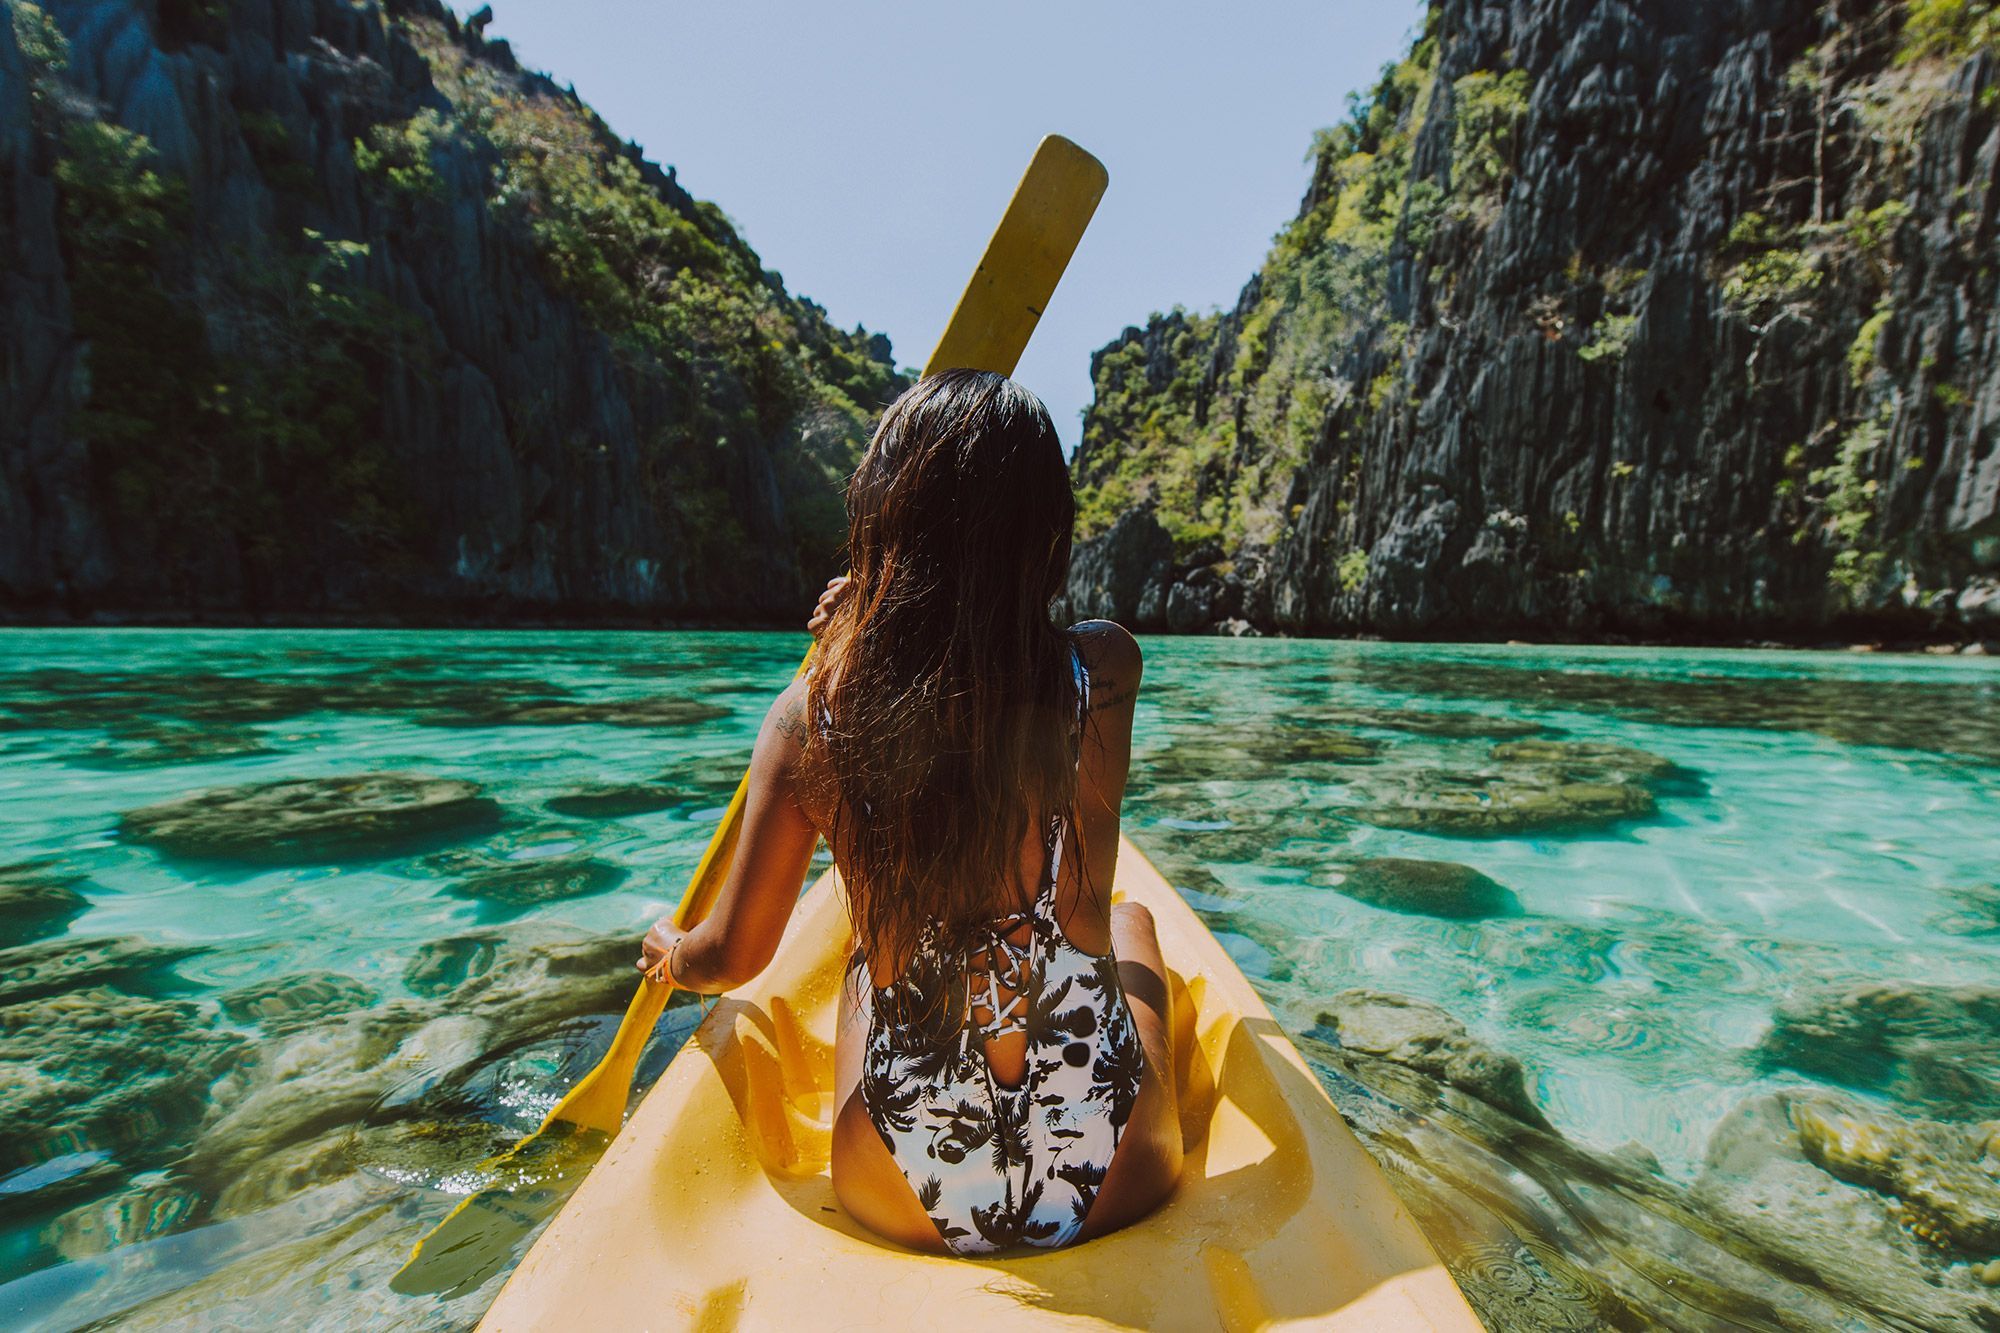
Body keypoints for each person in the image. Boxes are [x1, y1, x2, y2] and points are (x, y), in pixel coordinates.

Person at [636, 369, 1181, 1255]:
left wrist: (670, 952)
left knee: (866, 958)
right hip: (1118, 1167)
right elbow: (998, 648)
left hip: (899, 1184)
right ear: (1047, 533)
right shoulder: (1104, 670)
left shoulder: (811, 715)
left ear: (880, 529)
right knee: (1133, 922)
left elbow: (732, 955)